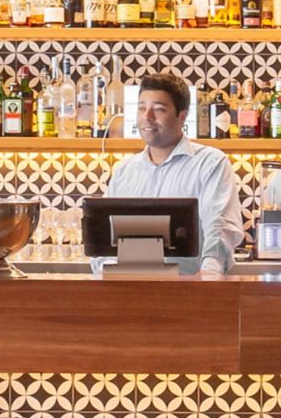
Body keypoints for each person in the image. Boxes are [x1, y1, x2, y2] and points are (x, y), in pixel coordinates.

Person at [102, 70, 241, 274]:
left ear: (182, 117)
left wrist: (209, 274)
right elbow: (103, 235)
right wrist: (104, 271)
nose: (147, 117)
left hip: (191, 286)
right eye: (142, 108)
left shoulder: (210, 163)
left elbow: (220, 227)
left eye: (159, 110)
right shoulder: (124, 172)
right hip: (128, 286)